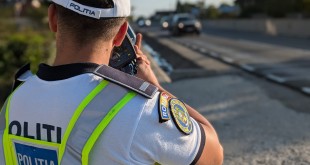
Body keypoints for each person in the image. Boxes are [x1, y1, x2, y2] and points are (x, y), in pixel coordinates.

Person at [0, 0, 223, 164]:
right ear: (120, 34)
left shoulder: (13, 101)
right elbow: (213, 155)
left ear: (53, 18)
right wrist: (157, 88)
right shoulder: (140, 109)